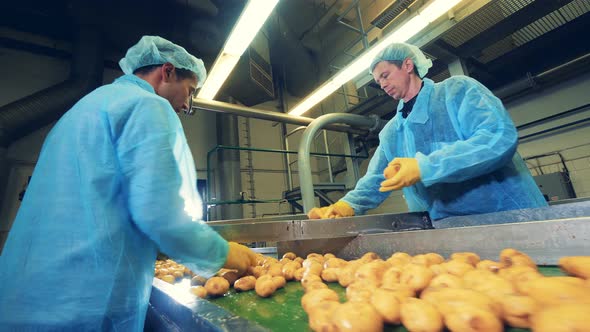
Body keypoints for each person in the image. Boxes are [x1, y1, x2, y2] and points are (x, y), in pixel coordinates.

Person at [0, 36, 257, 331]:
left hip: (28, 294)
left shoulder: (84, 109)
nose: (186, 104)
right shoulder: (147, 106)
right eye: (189, 91)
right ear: (168, 71)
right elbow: (160, 213)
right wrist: (223, 253)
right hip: (84, 300)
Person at [308, 42, 547, 221]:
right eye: (378, 81)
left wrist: (425, 166)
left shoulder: (457, 91)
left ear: (407, 65)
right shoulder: (392, 132)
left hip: (512, 219)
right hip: (450, 230)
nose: (382, 84)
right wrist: (344, 206)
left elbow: (496, 139)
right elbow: (377, 179)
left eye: (385, 75)